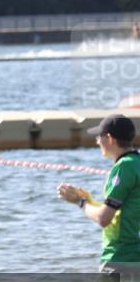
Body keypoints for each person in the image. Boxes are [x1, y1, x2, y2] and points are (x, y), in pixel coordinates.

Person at [58, 114, 140, 273]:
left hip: (121, 259)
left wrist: (80, 202)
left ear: (109, 138)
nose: (97, 141)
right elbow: (121, 211)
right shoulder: (136, 163)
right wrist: (90, 201)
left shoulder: (124, 167)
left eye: (99, 137)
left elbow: (104, 218)